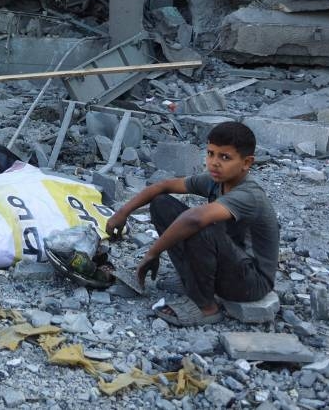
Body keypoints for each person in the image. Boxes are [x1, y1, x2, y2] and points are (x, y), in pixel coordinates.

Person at [105, 122, 279, 326]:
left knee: (200, 224)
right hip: (228, 262)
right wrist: (123, 212)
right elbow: (164, 185)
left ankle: (206, 307)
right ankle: (191, 279)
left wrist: (152, 253)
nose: (214, 163)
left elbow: (195, 219)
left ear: (247, 163)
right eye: (210, 153)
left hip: (251, 282)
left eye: (225, 157)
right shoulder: (216, 181)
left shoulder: (249, 195)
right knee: (162, 204)